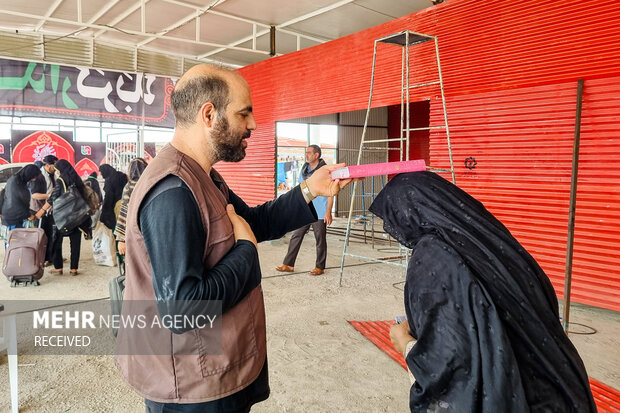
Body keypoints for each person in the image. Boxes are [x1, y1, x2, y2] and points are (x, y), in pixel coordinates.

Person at [115, 63, 351, 413]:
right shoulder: (173, 192)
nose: (253, 125)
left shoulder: (204, 176)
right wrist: (246, 251)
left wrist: (308, 189)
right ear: (208, 115)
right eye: (244, 113)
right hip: (192, 386)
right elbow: (182, 310)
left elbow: (253, 221)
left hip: (212, 373)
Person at [367, 172, 596, 413]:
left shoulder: (432, 258)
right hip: (567, 390)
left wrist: (406, 345)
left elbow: (454, 364)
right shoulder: (491, 241)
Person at [275, 145, 334, 275]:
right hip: (305, 209)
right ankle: (288, 264)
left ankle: (320, 267)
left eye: (308, 153)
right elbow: (302, 188)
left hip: (319, 211)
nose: (306, 155)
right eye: (306, 152)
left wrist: (328, 212)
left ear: (316, 155)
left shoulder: (325, 171)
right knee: (296, 235)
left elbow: (331, 192)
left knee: (320, 239)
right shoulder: (304, 169)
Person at [35, 160, 92, 276]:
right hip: (78, 216)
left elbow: (53, 198)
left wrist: (42, 210)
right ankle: (74, 269)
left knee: (56, 241)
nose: (56, 172)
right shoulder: (77, 179)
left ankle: (59, 267)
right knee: (75, 243)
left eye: (57, 170)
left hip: (64, 217)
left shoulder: (61, 181)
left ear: (60, 169)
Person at [1, 165, 42, 247]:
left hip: (17, 216)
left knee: (19, 243)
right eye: (33, 177)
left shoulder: (20, 180)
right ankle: (12, 260)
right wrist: (28, 214)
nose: (34, 179)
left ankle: (19, 259)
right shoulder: (15, 182)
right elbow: (15, 203)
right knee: (12, 244)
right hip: (12, 217)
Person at [114, 157, 148, 255]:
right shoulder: (150, 184)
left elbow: (124, 212)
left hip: (135, 231)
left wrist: (121, 239)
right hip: (149, 230)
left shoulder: (129, 186)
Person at [31, 155, 58, 263]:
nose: (55, 168)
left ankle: (50, 257)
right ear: (47, 165)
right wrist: (49, 196)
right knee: (41, 235)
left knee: (51, 234)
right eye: (54, 165)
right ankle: (42, 258)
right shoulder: (39, 176)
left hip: (50, 210)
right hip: (40, 211)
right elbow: (34, 195)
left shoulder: (53, 174)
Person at [99, 163, 128, 231]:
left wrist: (103, 214)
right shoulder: (122, 175)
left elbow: (108, 197)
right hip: (126, 205)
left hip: (115, 208)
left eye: (101, 172)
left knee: (116, 229)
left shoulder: (109, 180)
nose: (101, 174)